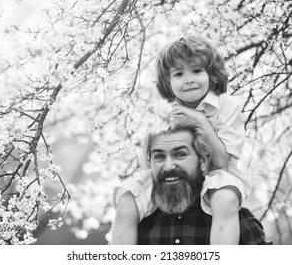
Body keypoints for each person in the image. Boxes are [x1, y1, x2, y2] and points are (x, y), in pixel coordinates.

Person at [112, 35, 251, 244]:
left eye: (196, 71)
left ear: (211, 75)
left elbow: (221, 161)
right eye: (179, 74)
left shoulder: (226, 106)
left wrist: (200, 119)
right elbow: (148, 159)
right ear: (168, 82)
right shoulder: (163, 110)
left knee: (225, 199)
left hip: (217, 177)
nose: (189, 79)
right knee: (127, 198)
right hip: (175, 174)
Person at [137, 117, 268, 244]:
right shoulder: (136, 223)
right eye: (159, 156)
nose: (168, 166)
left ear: (203, 162)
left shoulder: (236, 219)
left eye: (180, 154)